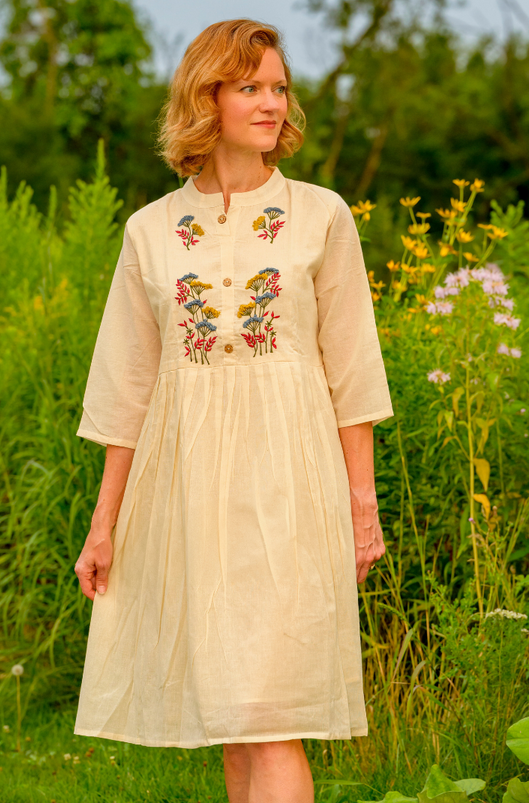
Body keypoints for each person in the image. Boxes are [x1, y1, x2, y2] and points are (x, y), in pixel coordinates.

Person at [73, 18, 393, 803]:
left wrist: (362, 504)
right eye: (250, 87)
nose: (272, 103)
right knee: (233, 720)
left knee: (269, 714)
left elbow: (353, 371)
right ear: (206, 98)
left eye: (279, 87)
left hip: (291, 487)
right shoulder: (150, 231)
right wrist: (104, 523)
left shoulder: (321, 216)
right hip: (188, 492)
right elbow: (126, 388)